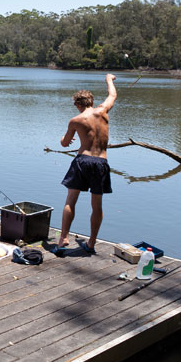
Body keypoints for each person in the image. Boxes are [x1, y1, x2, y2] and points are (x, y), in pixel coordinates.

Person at [58, 74, 117, 253]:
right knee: (97, 205)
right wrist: (109, 80)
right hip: (101, 161)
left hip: (83, 160)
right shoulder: (103, 111)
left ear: (77, 104)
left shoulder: (76, 121)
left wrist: (65, 137)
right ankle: (91, 242)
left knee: (71, 200)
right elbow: (113, 95)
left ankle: (64, 238)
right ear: (91, 101)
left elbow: (64, 143)